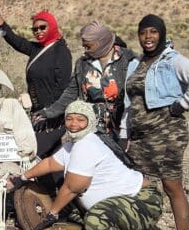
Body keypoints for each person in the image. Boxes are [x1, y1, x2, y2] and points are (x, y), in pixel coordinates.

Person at [8, 101, 163, 230]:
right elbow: (50, 163)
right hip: (121, 202)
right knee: (72, 209)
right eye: (69, 119)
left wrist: (53, 213)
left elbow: (73, 187)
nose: (74, 124)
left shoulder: (86, 145)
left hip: (143, 203)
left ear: (90, 122)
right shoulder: (73, 144)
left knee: (93, 220)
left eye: (80, 119)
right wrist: (23, 178)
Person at [124, 14, 189, 230]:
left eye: (153, 32)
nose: (148, 37)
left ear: (161, 34)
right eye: (143, 33)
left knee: (172, 185)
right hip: (141, 136)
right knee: (142, 184)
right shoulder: (137, 63)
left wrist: (181, 105)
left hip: (167, 134)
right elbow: (129, 100)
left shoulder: (171, 60)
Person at [0, 5, 72, 159]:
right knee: (48, 158)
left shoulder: (61, 51)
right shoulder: (36, 49)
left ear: (52, 26)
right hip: (38, 112)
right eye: (35, 29)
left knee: (33, 152)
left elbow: (63, 87)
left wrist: (50, 113)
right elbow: (15, 40)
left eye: (42, 27)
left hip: (53, 116)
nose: (38, 32)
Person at [34, 21, 136, 149]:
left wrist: (126, 133)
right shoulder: (83, 63)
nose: (85, 50)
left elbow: (135, 98)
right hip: (91, 129)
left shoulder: (127, 60)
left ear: (101, 42)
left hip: (121, 129)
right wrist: (49, 112)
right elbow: (71, 93)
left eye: (88, 46)